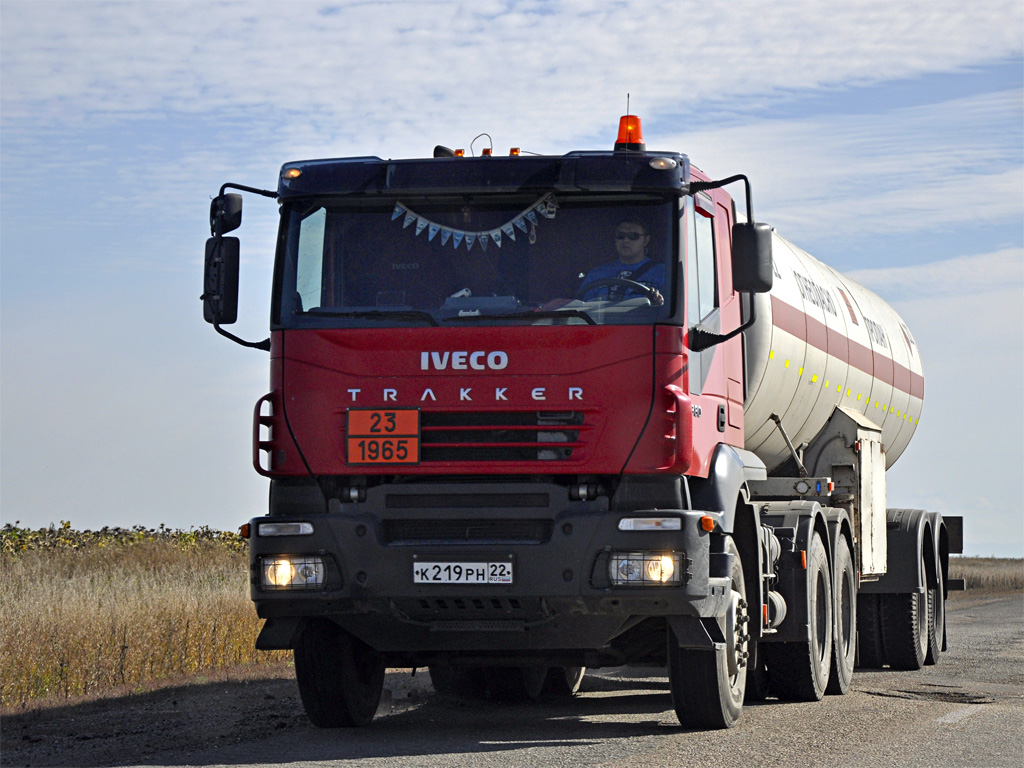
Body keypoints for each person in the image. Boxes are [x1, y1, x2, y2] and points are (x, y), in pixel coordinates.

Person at [578, 219, 665, 304]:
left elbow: (669, 309)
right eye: (620, 235)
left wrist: (658, 301)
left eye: (633, 236)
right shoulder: (597, 273)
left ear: (645, 240)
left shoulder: (662, 272)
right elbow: (580, 307)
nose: (625, 240)